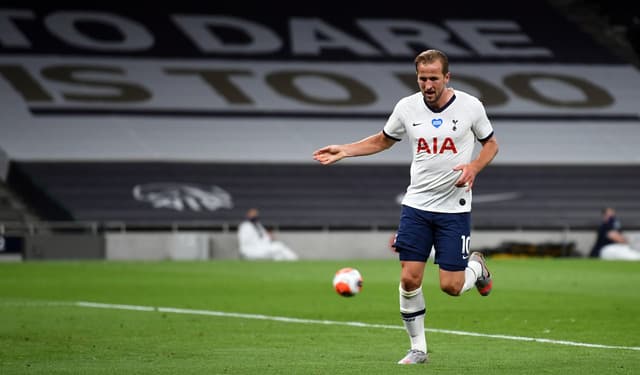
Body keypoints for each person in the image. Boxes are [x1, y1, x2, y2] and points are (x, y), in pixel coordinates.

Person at [313, 49, 499, 365]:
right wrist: (346, 149)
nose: (428, 84)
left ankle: (477, 267)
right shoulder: (406, 108)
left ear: (447, 77)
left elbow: (491, 144)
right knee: (410, 279)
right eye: (422, 78)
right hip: (416, 205)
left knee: (451, 287)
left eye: (434, 78)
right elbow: (384, 139)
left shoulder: (471, 107)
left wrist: (475, 167)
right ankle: (418, 349)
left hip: (454, 208)